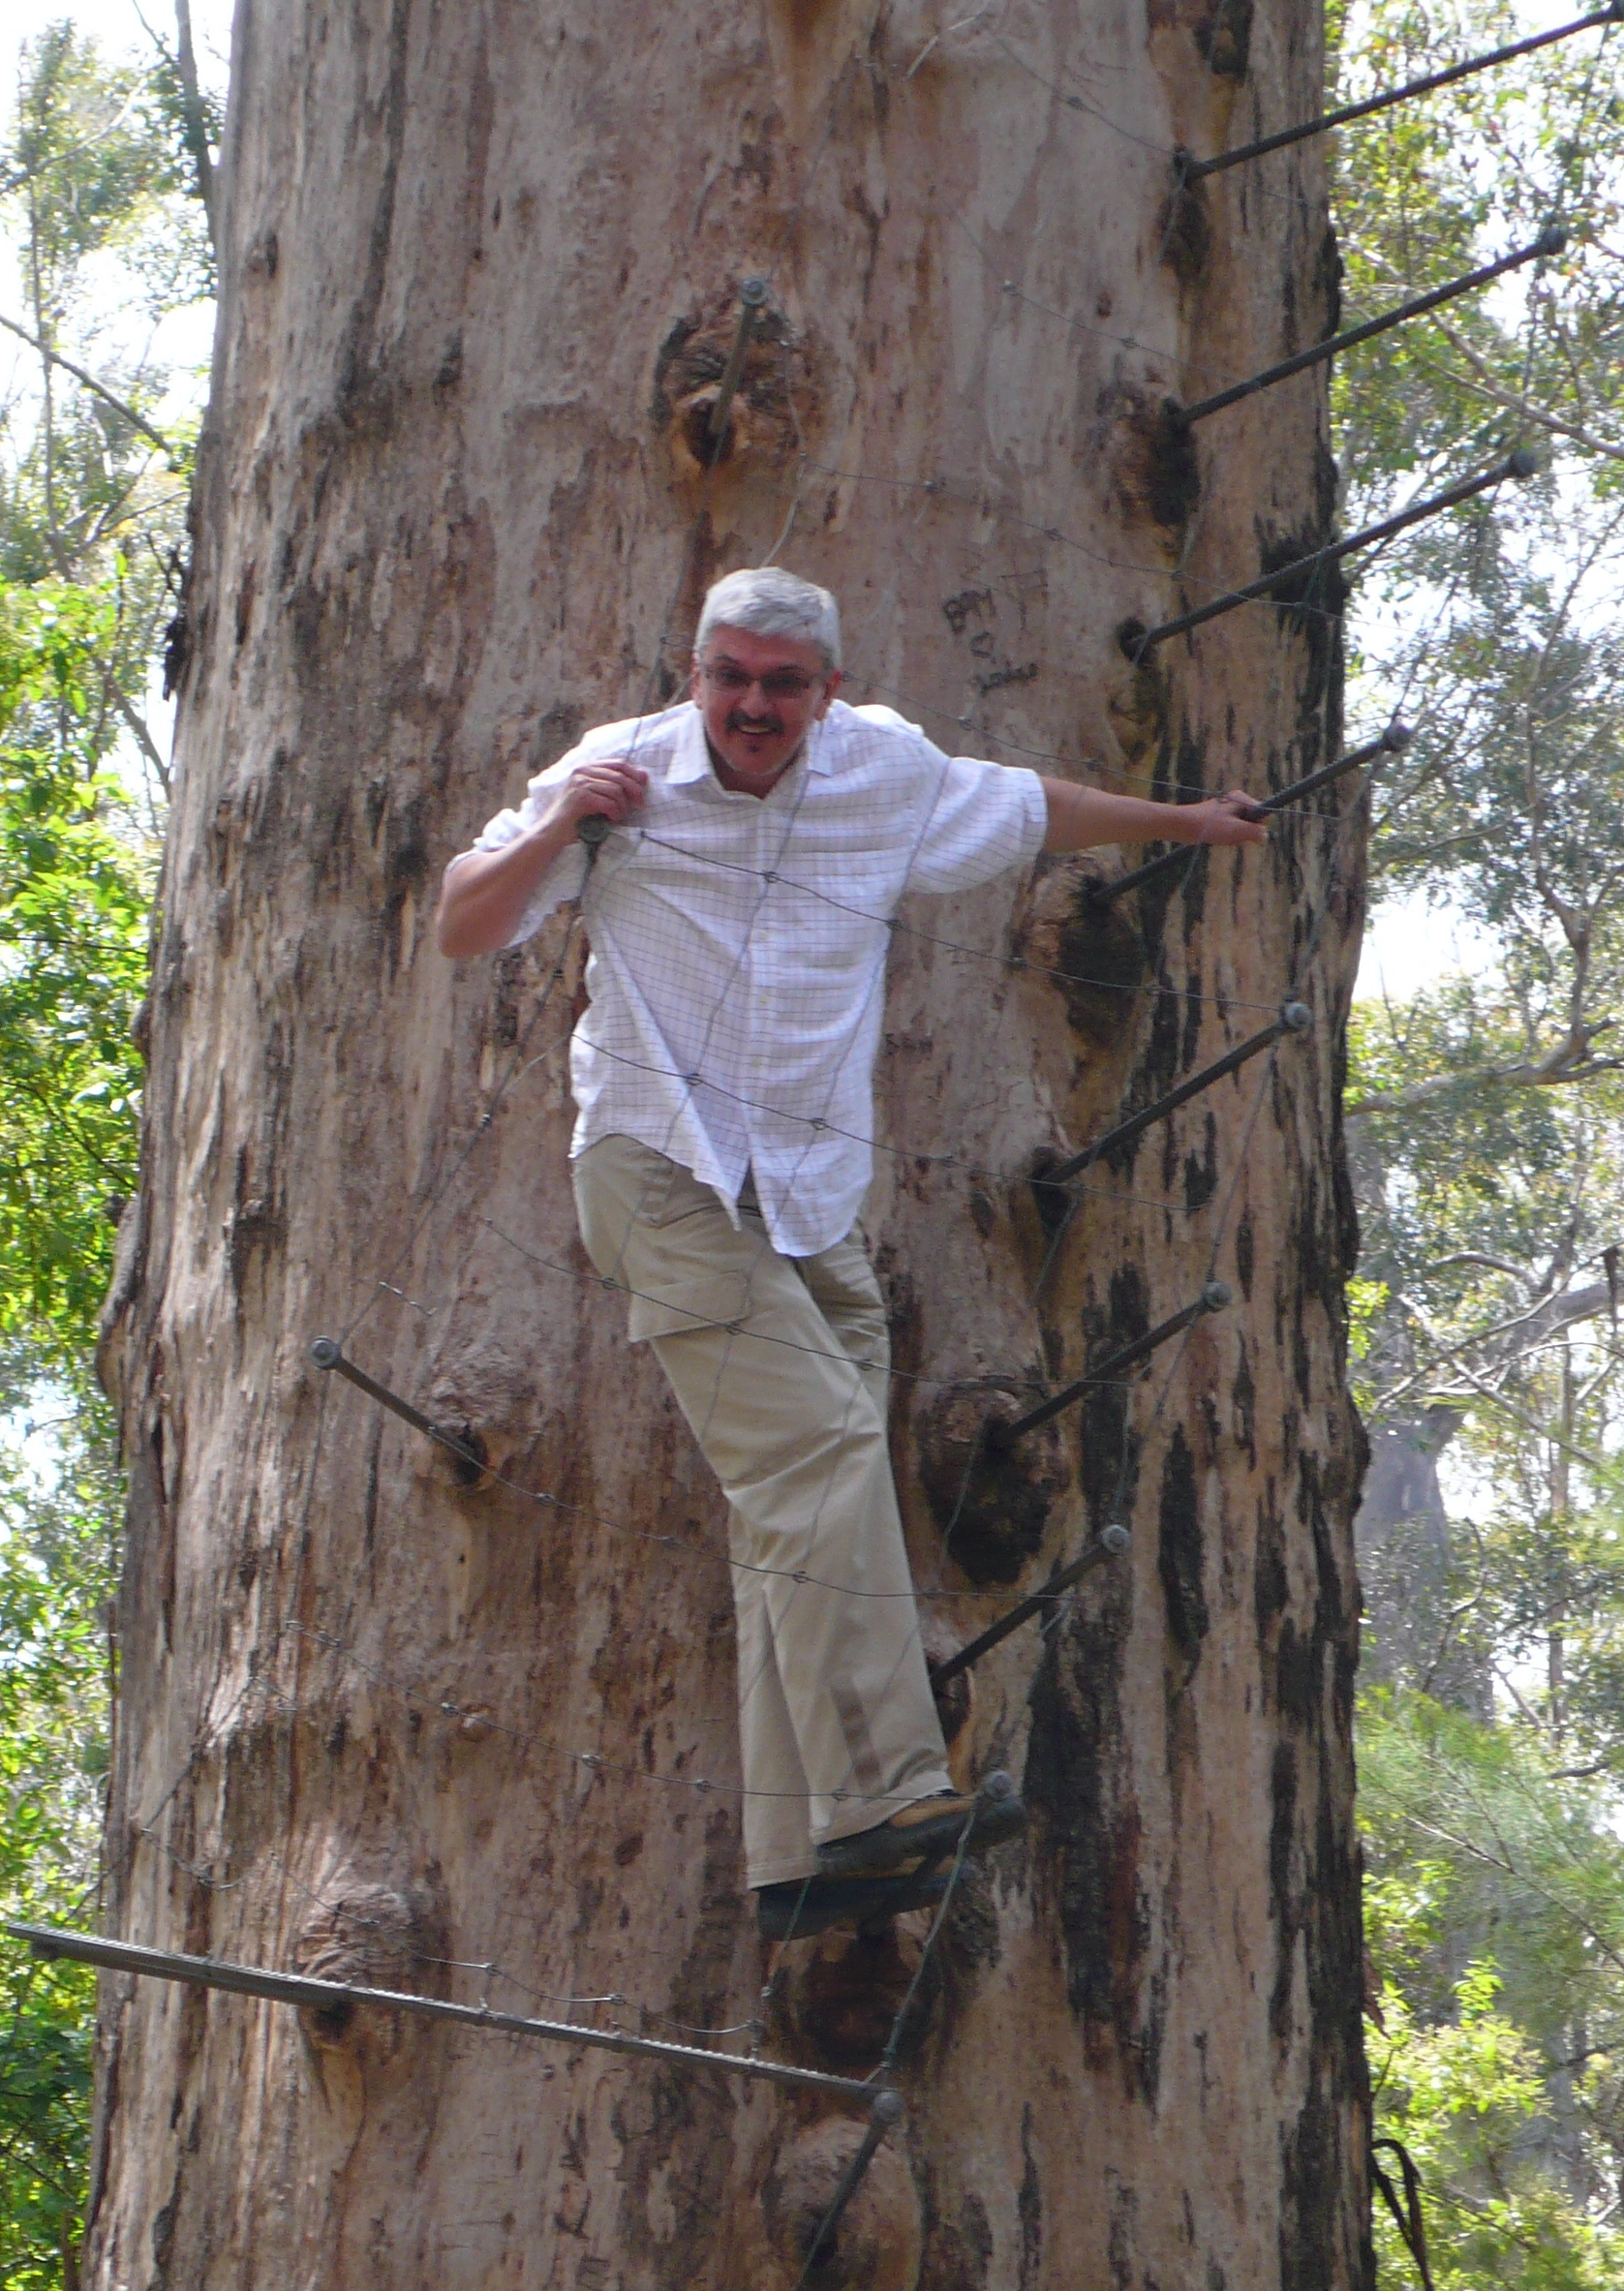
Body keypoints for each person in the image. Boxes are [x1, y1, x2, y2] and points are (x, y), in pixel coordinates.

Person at [435, 567, 1266, 1940]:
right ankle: (886, 1791)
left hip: (809, 1199)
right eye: (730, 676)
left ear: (828, 690)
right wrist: (563, 828)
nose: (753, 705)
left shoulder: (884, 770)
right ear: (696, 674)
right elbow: (465, 921)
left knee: (801, 1504)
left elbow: (1027, 808)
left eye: (782, 683)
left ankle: (806, 1856)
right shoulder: (617, 774)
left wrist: (1180, 821)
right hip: (658, 1169)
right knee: (817, 1447)